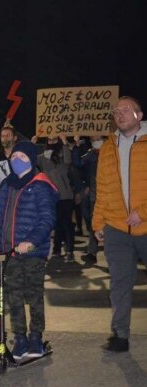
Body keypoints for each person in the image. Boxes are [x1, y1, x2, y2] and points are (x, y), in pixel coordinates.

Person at [0, 141, 58, 359]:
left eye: (23, 156)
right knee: (14, 297)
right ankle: (20, 338)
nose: (17, 159)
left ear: (31, 160)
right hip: (9, 252)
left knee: (34, 295)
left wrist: (31, 241)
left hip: (33, 252)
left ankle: (35, 336)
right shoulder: (8, 185)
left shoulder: (40, 185)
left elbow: (47, 218)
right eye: (15, 155)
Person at [93, 96, 147, 353]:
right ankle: (120, 335)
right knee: (119, 283)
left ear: (139, 115)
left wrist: (143, 213)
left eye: (125, 110)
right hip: (115, 227)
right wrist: (97, 223)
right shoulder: (107, 147)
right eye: (116, 111)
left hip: (145, 225)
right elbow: (101, 188)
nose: (120, 114)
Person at [37, 136, 75, 261]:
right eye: (50, 140)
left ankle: (69, 251)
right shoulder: (42, 157)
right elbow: (31, 162)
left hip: (65, 195)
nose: (52, 142)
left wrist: (64, 142)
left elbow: (69, 160)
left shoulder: (62, 154)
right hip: (50, 196)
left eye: (55, 140)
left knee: (67, 224)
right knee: (55, 224)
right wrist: (32, 144)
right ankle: (56, 249)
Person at [72, 135, 104, 264]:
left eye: (98, 138)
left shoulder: (113, 151)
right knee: (94, 224)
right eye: (94, 139)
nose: (96, 141)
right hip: (95, 196)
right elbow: (78, 163)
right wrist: (76, 146)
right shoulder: (91, 154)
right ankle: (92, 252)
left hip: (112, 195)